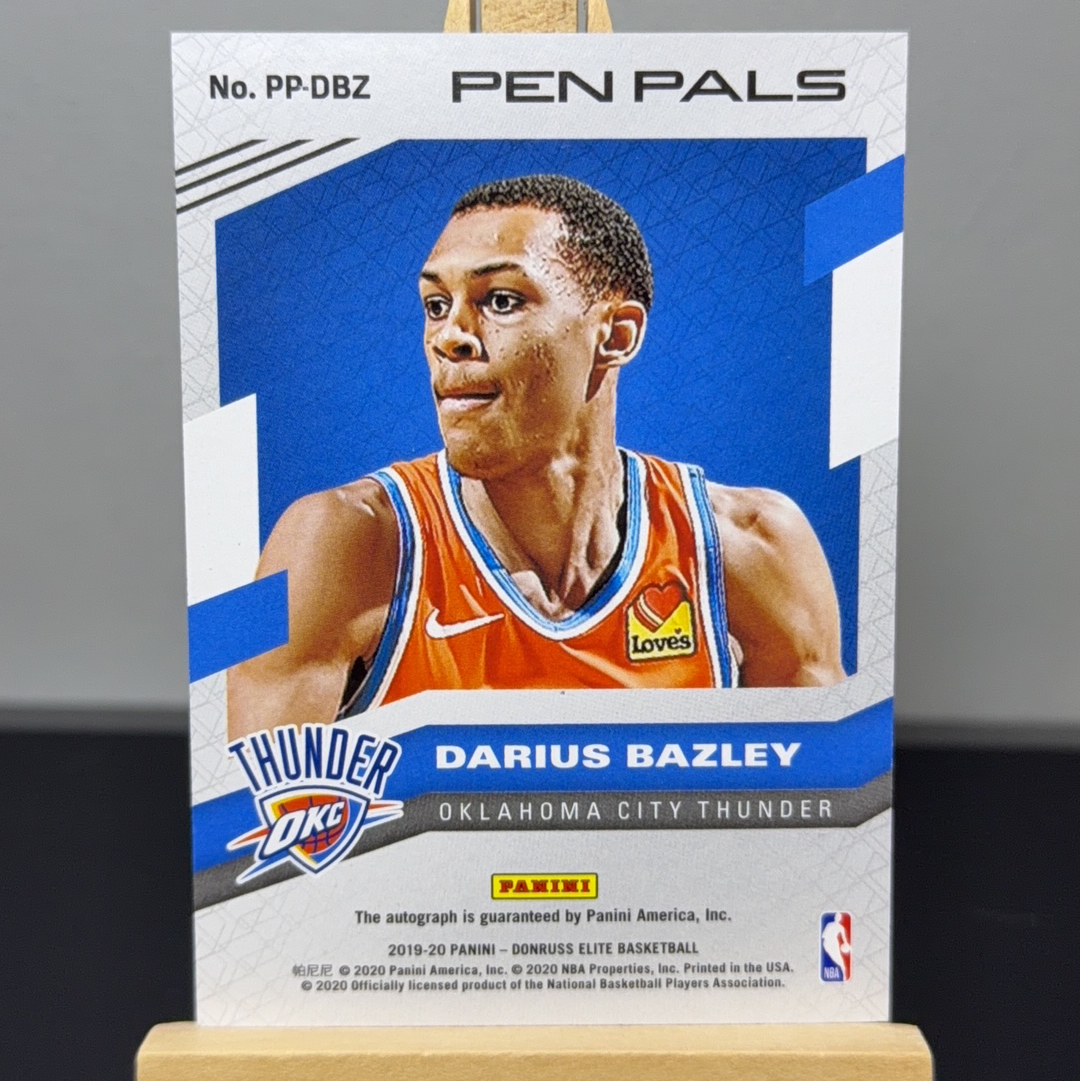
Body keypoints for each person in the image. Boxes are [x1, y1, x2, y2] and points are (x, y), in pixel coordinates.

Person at [227, 174, 844, 740]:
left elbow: (816, 810)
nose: (449, 336)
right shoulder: (340, 541)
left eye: (500, 300)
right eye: (436, 305)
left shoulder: (752, 547)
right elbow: (252, 818)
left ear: (616, 334)